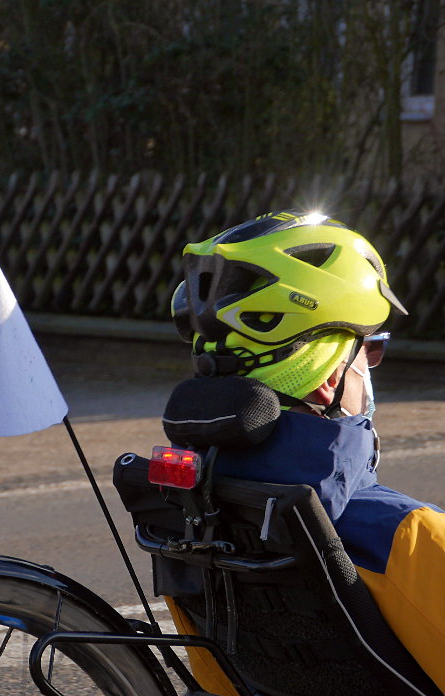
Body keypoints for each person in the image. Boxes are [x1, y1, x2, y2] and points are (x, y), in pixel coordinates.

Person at [168, 211, 445, 692]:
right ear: (330, 379)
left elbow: (216, 683)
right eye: (370, 349)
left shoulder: (185, 515)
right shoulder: (410, 537)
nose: (373, 366)